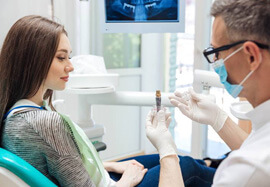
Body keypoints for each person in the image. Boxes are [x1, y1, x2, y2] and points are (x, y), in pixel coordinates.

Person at [0, 15, 215, 187]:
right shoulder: (44, 123)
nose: (71, 66)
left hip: (101, 177)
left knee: (164, 159)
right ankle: (232, 173)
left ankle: (214, 163)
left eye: (69, 56)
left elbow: (63, 165)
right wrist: (127, 180)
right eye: (61, 57)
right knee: (187, 167)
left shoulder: (15, 112)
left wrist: (111, 165)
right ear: (33, 59)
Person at [146, 0, 270, 186]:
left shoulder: (246, 170)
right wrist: (218, 119)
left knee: (187, 166)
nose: (216, 62)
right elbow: (256, 145)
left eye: (217, 52)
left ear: (251, 55)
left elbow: (255, 161)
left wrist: (167, 151)